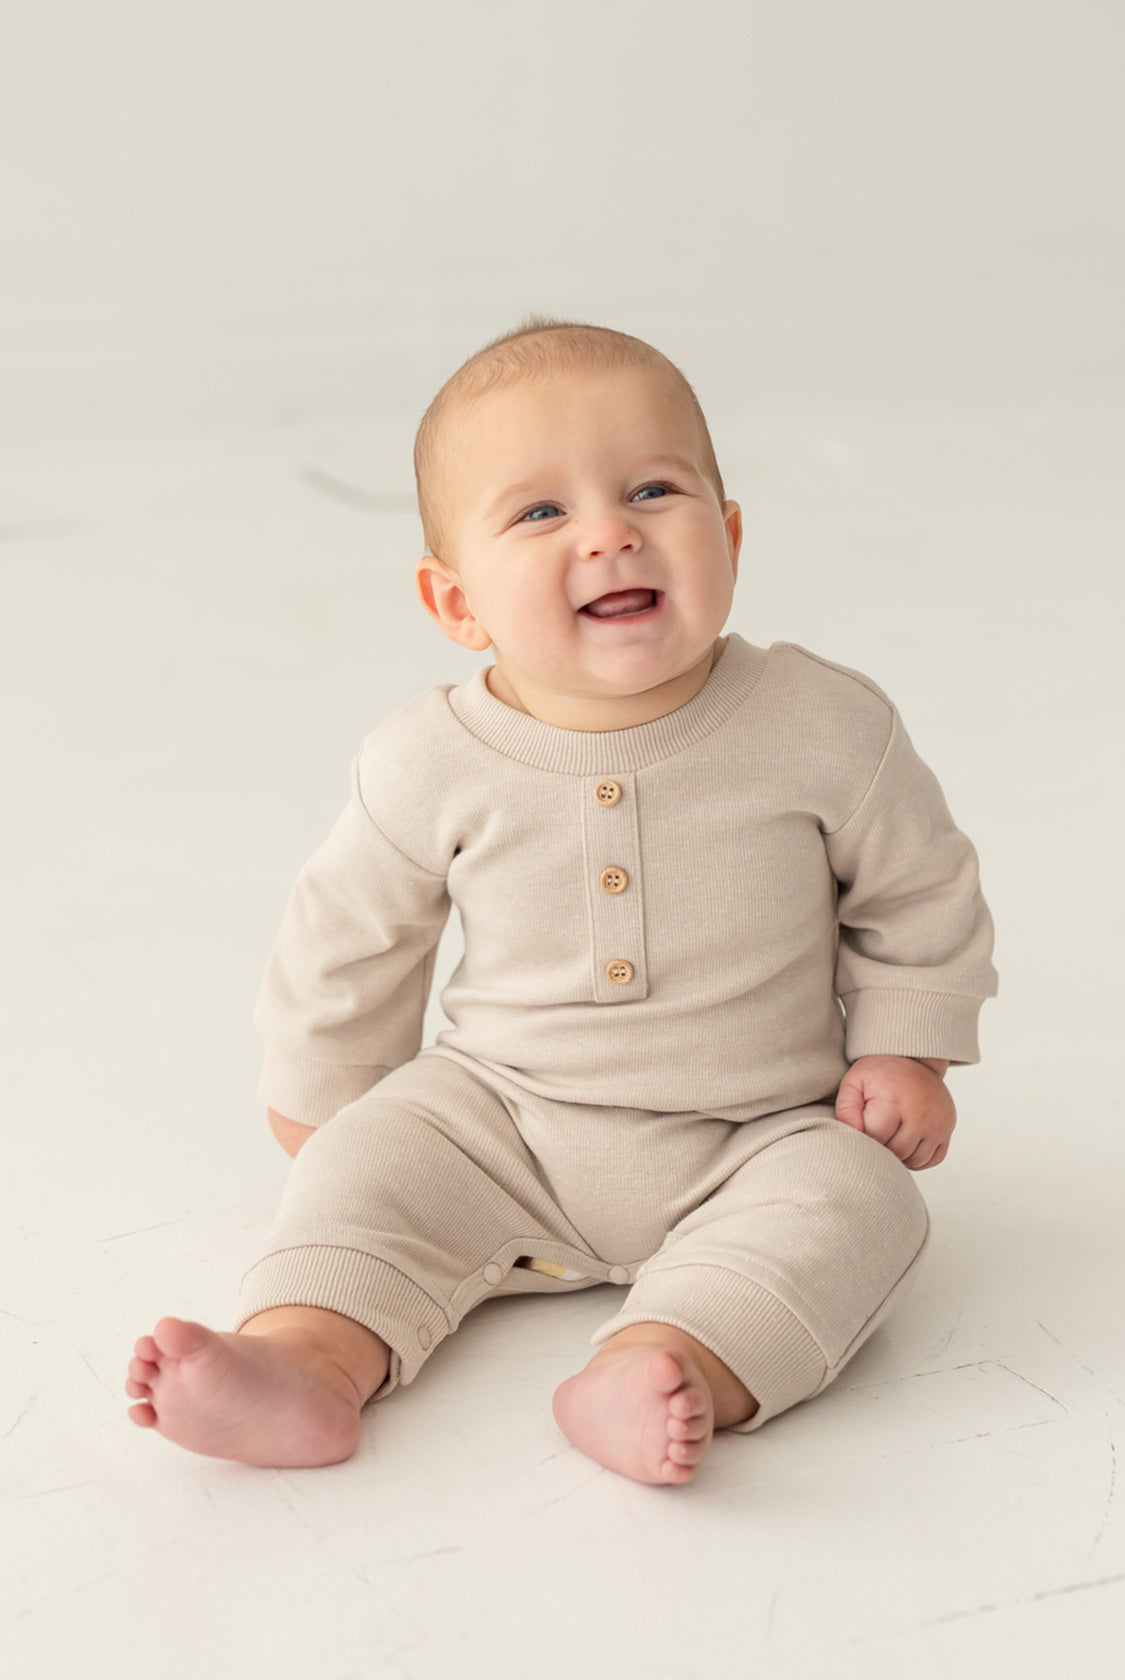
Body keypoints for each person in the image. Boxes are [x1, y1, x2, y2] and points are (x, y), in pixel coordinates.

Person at [124, 316, 998, 1485]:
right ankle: (305, 1359)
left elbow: (921, 890)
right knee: (362, 1168)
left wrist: (907, 1050)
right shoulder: (428, 759)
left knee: (862, 1200)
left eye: (653, 490)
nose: (610, 533)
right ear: (456, 604)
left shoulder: (825, 726)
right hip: (498, 1120)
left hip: (759, 1131)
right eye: (541, 512)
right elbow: (349, 937)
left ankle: (661, 1363)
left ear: (731, 536)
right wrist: (325, 1094)